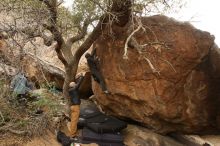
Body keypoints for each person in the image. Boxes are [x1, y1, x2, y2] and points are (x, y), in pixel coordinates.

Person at [68, 75, 84, 140]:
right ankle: (72, 135)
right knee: (74, 121)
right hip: (75, 107)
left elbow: (77, 84)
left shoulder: (71, 90)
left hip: (72, 106)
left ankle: (73, 133)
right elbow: (79, 84)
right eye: (75, 84)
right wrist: (82, 77)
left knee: (73, 120)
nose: (75, 84)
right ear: (73, 86)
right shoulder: (74, 89)